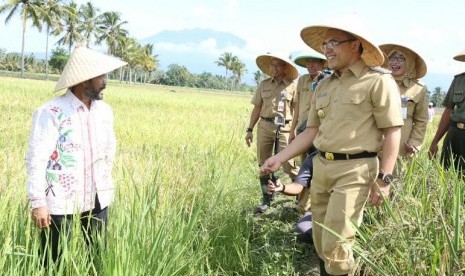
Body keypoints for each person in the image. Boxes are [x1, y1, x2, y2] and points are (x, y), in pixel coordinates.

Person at [260, 25, 403, 275]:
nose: (327, 49)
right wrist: (279, 157)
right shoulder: (324, 85)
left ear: (355, 45)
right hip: (321, 168)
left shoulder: (378, 81)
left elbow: (392, 130)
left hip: (355, 170)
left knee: (337, 246)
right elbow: (310, 132)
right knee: (320, 240)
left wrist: (385, 178)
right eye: (325, 44)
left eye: (333, 43)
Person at [25, 46, 127, 267]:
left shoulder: (104, 111)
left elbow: (110, 149)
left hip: (98, 195)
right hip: (60, 198)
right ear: (84, 80)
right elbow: (36, 158)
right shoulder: (52, 112)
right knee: (53, 261)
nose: (105, 82)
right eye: (101, 76)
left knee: (98, 258)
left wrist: (105, 180)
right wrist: (38, 202)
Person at [245, 53, 299, 213]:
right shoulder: (263, 85)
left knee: (289, 164)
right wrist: (249, 129)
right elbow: (257, 108)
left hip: (285, 128)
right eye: (272, 65)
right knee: (263, 164)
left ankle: (300, 199)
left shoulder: (292, 86)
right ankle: (267, 199)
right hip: (265, 126)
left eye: (278, 65)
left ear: (284, 68)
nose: (274, 69)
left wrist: (295, 131)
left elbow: (297, 111)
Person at [289, 52, 328, 213]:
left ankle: (312, 206)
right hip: (302, 129)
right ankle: (302, 205)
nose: (311, 65)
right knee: (304, 167)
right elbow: (297, 107)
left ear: (323, 64)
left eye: (315, 62)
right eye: (309, 62)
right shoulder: (302, 80)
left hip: (317, 130)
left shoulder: (326, 80)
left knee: (316, 167)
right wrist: (292, 130)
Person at [379, 44, 429, 160]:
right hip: (374, 144)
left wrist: (414, 143)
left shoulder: (418, 89)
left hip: (402, 147)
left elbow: (421, 120)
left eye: (401, 58)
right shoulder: (377, 83)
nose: (395, 62)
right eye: (392, 57)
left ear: (410, 63)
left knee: (395, 177)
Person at [268, 150, 319, 243]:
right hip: (321, 210)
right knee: (301, 230)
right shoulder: (313, 158)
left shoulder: (350, 158)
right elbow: (297, 187)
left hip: (345, 209)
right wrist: (282, 187)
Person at [429, 48, 465, 174]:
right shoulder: (458, 80)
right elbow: (448, 111)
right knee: (447, 175)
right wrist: (435, 141)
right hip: (455, 135)